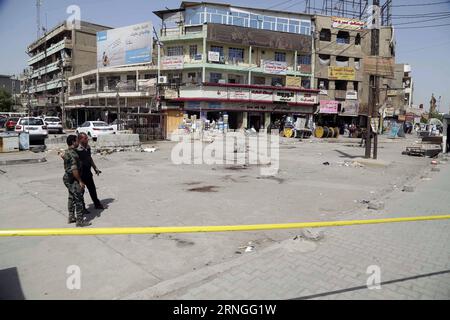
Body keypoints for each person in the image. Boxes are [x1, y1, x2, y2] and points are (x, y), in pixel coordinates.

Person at [62, 135, 91, 227]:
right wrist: (80, 181)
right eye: (77, 141)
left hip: (67, 177)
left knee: (71, 197)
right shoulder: (73, 154)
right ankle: (80, 221)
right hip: (73, 178)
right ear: (73, 142)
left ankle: (71, 217)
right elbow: (74, 169)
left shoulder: (68, 152)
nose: (78, 143)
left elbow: (66, 164)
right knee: (78, 198)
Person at [77, 132, 104, 210]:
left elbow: (89, 158)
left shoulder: (88, 147)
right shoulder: (77, 149)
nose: (87, 139)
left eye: (87, 138)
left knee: (92, 189)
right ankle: (82, 208)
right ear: (80, 139)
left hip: (88, 173)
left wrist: (95, 168)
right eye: (85, 138)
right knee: (80, 192)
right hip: (80, 174)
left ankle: (97, 204)